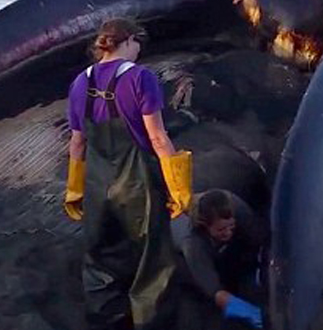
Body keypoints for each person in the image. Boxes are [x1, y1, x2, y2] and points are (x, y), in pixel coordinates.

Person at [66, 18, 193, 330]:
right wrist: (179, 187)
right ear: (128, 40)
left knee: (99, 258)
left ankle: (106, 320)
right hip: (136, 183)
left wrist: (74, 188)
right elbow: (158, 138)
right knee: (153, 264)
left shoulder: (80, 82)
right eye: (138, 44)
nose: (139, 51)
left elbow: (78, 141)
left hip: (97, 182)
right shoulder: (141, 78)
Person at [178, 190, 267, 330]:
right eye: (221, 229)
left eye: (231, 227)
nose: (228, 232)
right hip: (183, 261)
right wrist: (247, 311)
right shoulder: (193, 243)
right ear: (206, 226)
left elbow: (260, 241)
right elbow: (215, 292)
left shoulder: (237, 209)